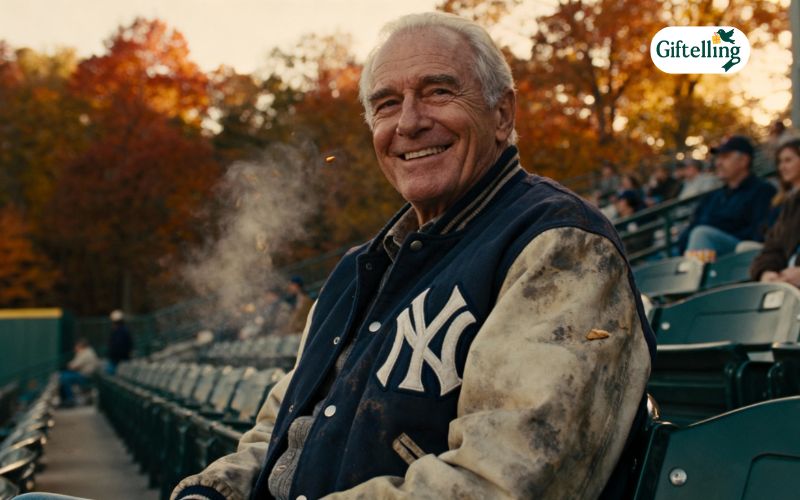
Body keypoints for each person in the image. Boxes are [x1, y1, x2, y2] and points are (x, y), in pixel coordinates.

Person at [172, 12, 654, 500]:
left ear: (502, 115)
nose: (409, 122)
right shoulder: (354, 273)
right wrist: (214, 490)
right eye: (386, 104)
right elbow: (282, 432)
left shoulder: (558, 246)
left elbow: (505, 480)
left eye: (438, 92)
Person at [679, 135, 776, 256]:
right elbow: (688, 233)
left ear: (744, 160)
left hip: (739, 257)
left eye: (725, 157)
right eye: (718, 158)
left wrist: (717, 228)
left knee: (702, 234)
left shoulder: (763, 191)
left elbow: (759, 233)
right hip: (705, 258)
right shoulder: (712, 197)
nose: (718, 163)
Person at [750, 138, 800, 286]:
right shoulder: (790, 204)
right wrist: (766, 272)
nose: (782, 167)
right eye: (779, 162)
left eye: (788, 160)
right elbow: (773, 246)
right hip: (786, 284)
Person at [59, 338, 100, 407]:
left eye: (76, 346)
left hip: (85, 377)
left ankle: (70, 399)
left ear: (80, 346)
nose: (75, 348)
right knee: (64, 376)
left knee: (64, 377)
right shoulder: (88, 352)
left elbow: (73, 366)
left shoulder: (85, 353)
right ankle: (68, 399)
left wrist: (69, 365)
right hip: (85, 375)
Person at [106, 309, 133, 374]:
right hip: (117, 358)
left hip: (118, 359)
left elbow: (119, 345)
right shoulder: (121, 331)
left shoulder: (121, 331)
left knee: (110, 373)